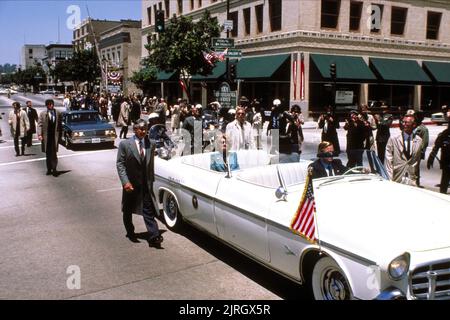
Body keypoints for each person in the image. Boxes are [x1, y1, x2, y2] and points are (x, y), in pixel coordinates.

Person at [116, 119, 163, 247]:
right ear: (135, 129)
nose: (143, 131)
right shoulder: (125, 145)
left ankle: (154, 236)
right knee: (128, 209)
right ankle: (130, 232)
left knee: (148, 210)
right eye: (140, 129)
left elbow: (150, 164)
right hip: (130, 184)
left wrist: (151, 181)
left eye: (145, 129)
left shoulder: (150, 144)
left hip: (145, 184)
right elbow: (120, 164)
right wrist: (125, 182)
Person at [385, 114, 423, 185]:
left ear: (414, 124)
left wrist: (416, 178)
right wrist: (389, 179)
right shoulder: (394, 139)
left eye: (406, 122)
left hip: (411, 179)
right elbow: (388, 160)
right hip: (397, 177)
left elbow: (417, 161)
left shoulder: (419, 140)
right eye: (403, 122)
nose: (403, 124)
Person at [427, 106, 450, 194]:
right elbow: (436, 147)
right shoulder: (443, 135)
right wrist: (431, 158)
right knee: (443, 187)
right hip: (446, 166)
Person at [38, 99, 62, 176]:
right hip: (46, 137)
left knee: (54, 154)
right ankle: (49, 169)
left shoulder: (58, 113)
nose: (51, 106)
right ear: (47, 105)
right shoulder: (42, 114)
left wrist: (61, 136)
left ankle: (54, 169)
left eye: (52, 104)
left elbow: (60, 125)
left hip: (54, 137)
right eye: (49, 104)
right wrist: (39, 134)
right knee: (48, 154)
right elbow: (39, 125)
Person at [412, 111, 429, 187]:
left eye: (415, 116)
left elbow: (425, 142)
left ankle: (417, 183)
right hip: (410, 150)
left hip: (417, 152)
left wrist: (420, 151)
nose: (414, 118)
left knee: (416, 169)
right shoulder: (413, 126)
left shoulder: (423, 129)